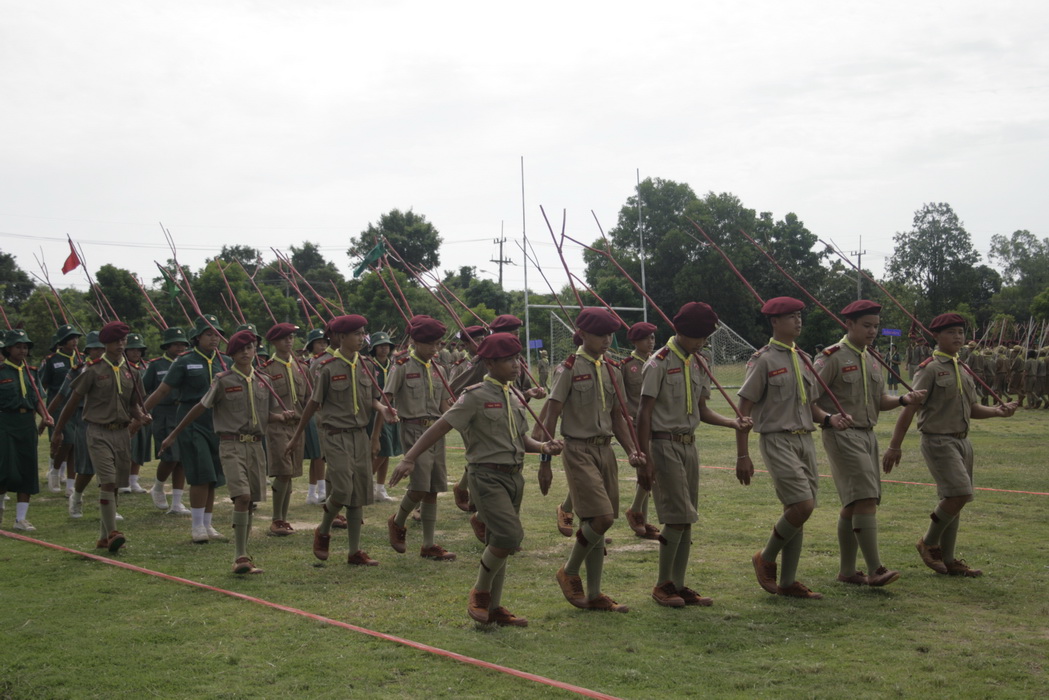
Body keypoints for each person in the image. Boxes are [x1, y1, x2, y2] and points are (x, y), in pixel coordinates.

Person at [392, 333, 564, 626]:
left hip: (514, 477)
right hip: (486, 477)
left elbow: (521, 439)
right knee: (509, 537)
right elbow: (440, 427)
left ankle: (494, 608)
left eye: (517, 359)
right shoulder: (474, 396)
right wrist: (409, 457)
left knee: (499, 542)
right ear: (490, 363)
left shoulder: (514, 396)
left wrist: (544, 447)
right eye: (508, 360)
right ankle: (480, 591)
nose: (516, 365)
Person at [883, 313, 1017, 577]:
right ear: (936, 336)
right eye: (951, 332)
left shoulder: (963, 368)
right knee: (959, 494)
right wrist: (894, 445)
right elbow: (910, 407)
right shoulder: (929, 369)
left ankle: (949, 559)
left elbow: (971, 408)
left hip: (962, 440)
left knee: (954, 499)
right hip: (938, 440)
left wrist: (997, 412)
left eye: (960, 332)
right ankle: (928, 542)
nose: (958, 337)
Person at [636, 303, 750, 607]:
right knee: (677, 517)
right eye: (697, 336)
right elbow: (644, 413)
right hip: (663, 445)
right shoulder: (658, 363)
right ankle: (662, 584)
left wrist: (732, 422)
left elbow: (702, 409)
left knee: (687, 518)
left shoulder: (699, 362)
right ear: (680, 331)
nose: (701, 342)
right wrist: (644, 458)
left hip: (689, 445)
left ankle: (679, 584)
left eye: (705, 337)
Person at [737, 297, 849, 600]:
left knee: (796, 511)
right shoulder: (762, 360)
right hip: (777, 438)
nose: (798, 321)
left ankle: (787, 582)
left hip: (804, 439)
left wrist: (829, 419)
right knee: (802, 505)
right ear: (775, 322)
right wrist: (743, 454)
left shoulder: (803, 358)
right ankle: (765, 557)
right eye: (791, 317)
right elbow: (743, 409)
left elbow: (809, 405)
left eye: (799, 315)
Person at [813, 301, 927, 588]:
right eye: (866, 325)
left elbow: (879, 401)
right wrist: (828, 419)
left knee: (855, 502)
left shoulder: (872, 358)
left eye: (876, 326)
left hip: (867, 435)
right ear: (849, 324)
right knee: (865, 498)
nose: (873, 331)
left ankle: (847, 572)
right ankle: (875, 569)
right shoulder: (831, 357)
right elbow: (807, 399)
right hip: (842, 434)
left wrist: (903, 399)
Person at [163, 330, 292, 573]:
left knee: (250, 501)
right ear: (231, 354)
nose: (245, 352)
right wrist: (174, 434)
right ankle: (239, 556)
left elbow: (266, 415)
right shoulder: (223, 380)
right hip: (231, 444)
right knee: (241, 496)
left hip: (256, 445)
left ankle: (245, 553)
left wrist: (282, 417)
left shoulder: (264, 380)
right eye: (240, 349)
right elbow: (200, 407)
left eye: (249, 348)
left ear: (255, 351)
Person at [544, 308, 645, 613]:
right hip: (578, 449)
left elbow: (617, 416)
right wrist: (545, 462)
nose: (607, 340)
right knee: (602, 518)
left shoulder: (612, 368)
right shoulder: (568, 368)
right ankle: (569, 570)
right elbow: (552, 413)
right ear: (583, 334)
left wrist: (631, 449)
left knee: (596, 523)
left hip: (606, 450)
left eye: (610, 334)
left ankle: (595, 593)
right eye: (600, 334)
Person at [288, 315, 398, 566]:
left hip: (359, 434)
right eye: (356, 334)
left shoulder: (366, 365)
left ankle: (354, 551)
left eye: (363, 333)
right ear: (341, 337)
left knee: (358, 493)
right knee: (343, 489)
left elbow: (372, 399)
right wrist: (297, 436)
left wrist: (383, 409)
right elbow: (313, 403)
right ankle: (323, 529)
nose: (362, 338)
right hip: (335, 435)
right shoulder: (326, 366)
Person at [52, 322, 150, 552]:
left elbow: (133, 405)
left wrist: (141, 416)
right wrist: (58, 430)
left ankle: (103, 537)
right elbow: (72, 402)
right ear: (105, 344)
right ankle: (114, 532)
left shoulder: (133, 372)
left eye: (123, 341)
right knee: (107, 480)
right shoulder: (92, 370)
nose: (120, 345)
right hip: (98, 431)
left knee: (116, 484)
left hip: (122, 432)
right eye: (116, 341)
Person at [144, 314, 230, 544]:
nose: (214, 338)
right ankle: (197, 526)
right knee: (201, 474)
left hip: (217, 423)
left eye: (217, 334)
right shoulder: (184, 361)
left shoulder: (226, 362)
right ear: (197, 337)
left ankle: (208, 524)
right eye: (208, 334)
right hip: (192, 423)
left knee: (213, 476)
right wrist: (141, 414)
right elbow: (162, 390)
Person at [383, 315, 457, 561]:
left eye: (438, 344)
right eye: (430, 344)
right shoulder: (401, 365)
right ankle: (398, 521)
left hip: (436, 432)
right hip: (413, 430)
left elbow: (445, 405)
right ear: (415, 342)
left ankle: (428, 544)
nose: (435, 348)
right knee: (419, 486)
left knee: (433, 488)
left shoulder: (440, 369)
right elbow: (387, 398)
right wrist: (386, 414)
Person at [259, 322, 311, 535]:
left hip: (298, 426)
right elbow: (261, 404)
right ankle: (276, 519)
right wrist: (278, 415)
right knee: (283, 472)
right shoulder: (266, 370)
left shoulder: (302, 368)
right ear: (274, 342)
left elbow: (309, 398)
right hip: (277, 426)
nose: (289, 341)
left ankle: (283, 518)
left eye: (291, 337)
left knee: (290, 474)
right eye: (284, 338)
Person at [2, 329, 53, 531]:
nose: (22, 350)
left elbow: (38, 399)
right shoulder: (1, 371)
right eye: (18, 347)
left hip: (26, 423)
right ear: (8, 349)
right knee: (4, 468)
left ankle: (20, 519)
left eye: (25, 347)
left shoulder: (32, 373)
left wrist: (45, 415)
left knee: (27, 468)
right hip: (5, 422)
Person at [143, 327, 191, 514]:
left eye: (182, 344)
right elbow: (144, 388)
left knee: (183, 459)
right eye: (175, 344)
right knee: (170, 457)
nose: (179, 347)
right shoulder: (156, 365)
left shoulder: (187, 362)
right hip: (164, 413)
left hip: (183, 412)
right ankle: (158, 487)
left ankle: (177, 502)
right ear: (167, 346)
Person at [621, 321, 660, 540]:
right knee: (646, 468)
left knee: (650, 470)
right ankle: (636, 512)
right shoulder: (627, 366)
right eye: (646, 338)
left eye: (652, 338)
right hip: (636, 423)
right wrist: (624, 415)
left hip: (658, 423)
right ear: (635, 341)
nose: (650, 342)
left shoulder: (657, 362)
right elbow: (620, 394)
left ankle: (641, 519)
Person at [37, 323, 81, 494]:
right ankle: (54, 470)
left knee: (75, 445)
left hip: (78, 407)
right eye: (70, 338)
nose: (74, 341)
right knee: (64, 441)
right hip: (59, 406)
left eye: (76, 338)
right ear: (62, 342)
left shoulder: (81, 359)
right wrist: (43, 412)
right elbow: (42, 386)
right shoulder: (52, 360)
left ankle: (70, 484)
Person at [366, 331, 400, 503]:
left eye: (386, 345)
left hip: (392, 411)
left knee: (388, 451)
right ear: (374, 348)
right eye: (380, 346)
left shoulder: (393, 365)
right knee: (381, 449)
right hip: (376, 412)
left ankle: (380, 488)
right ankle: (365, 483)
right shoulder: (370, 366)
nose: (384, 348)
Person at [121, 333, 151, 494]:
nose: (136, 353)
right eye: (132, 349)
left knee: (140, 446)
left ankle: (134, 480)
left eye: (139, 350)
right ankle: (123, 479)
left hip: (143, 410)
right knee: (126, 447)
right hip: (126, 411)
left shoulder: (146, 368)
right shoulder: (121, 368)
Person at [303, 328, 329, 505]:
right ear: (311, 346)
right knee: (318, 453)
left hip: (324, 411)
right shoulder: (312, 364)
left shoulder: (324, 361)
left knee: (318, 454)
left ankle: (312, 492)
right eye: (319, 343)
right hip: (316, 411)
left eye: (325, 342)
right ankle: (321, 490)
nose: (323, 345)